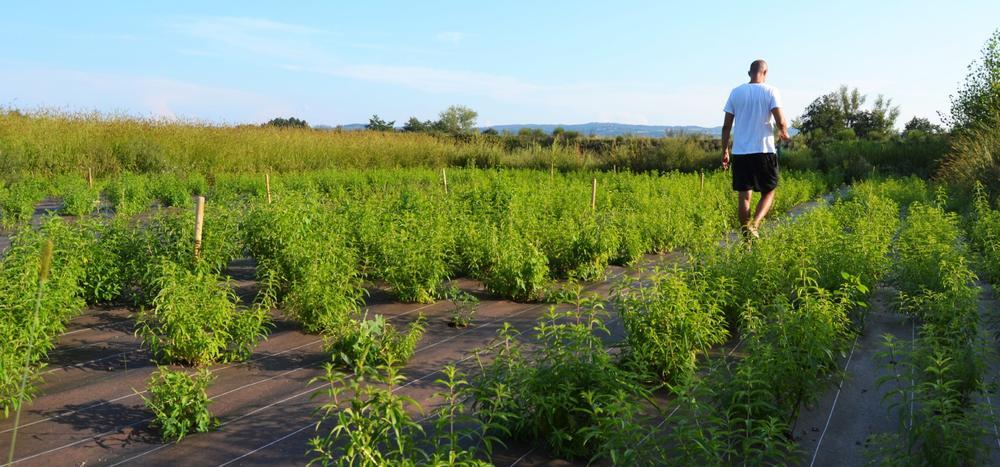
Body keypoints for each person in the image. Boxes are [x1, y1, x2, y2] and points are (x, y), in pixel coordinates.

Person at [720, 59, 790, 240]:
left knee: (744, 196)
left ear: (749, 72)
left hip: (741, 152)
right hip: (763, 150)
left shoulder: (736, 92)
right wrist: (783, 131)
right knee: (769, 190)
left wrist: (725, 151)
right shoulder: (771, 91)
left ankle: (746, 238)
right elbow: (780, 120)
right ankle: (754, 225)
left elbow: (726, 126)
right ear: (765, 73)